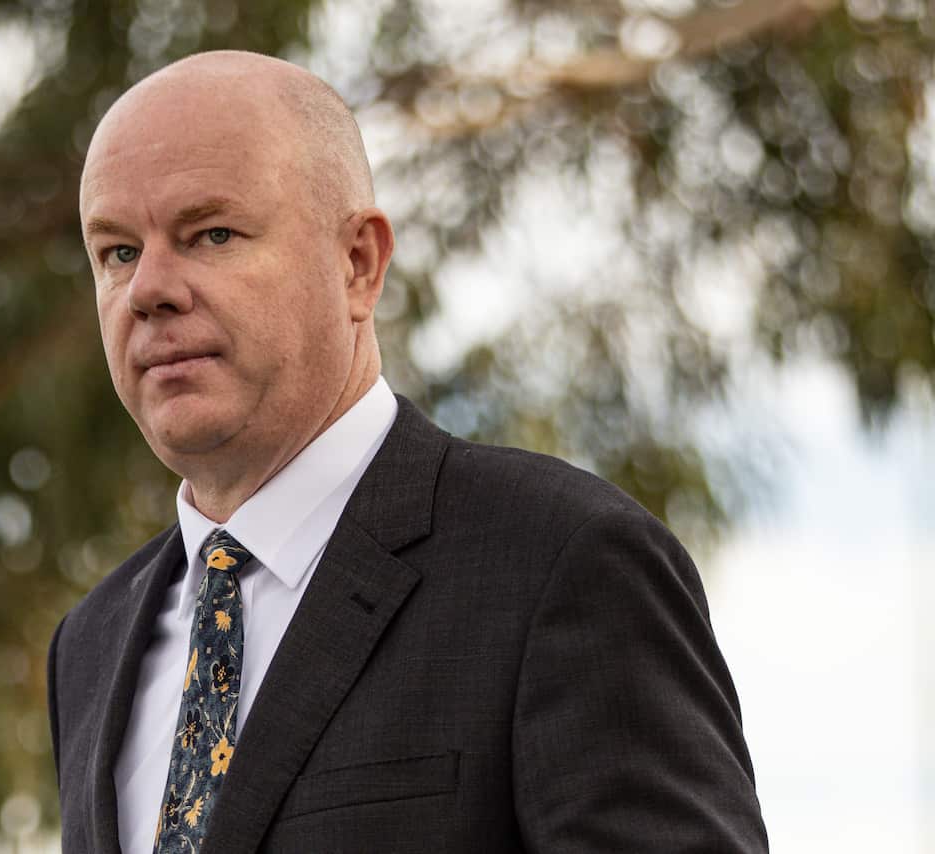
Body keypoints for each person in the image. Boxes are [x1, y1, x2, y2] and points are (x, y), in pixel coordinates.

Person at [48, 50, 768, 854]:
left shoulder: (561, 561)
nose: (150, 289)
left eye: (211, 233)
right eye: (117, 252)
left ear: (359, 264)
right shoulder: (91, 642)